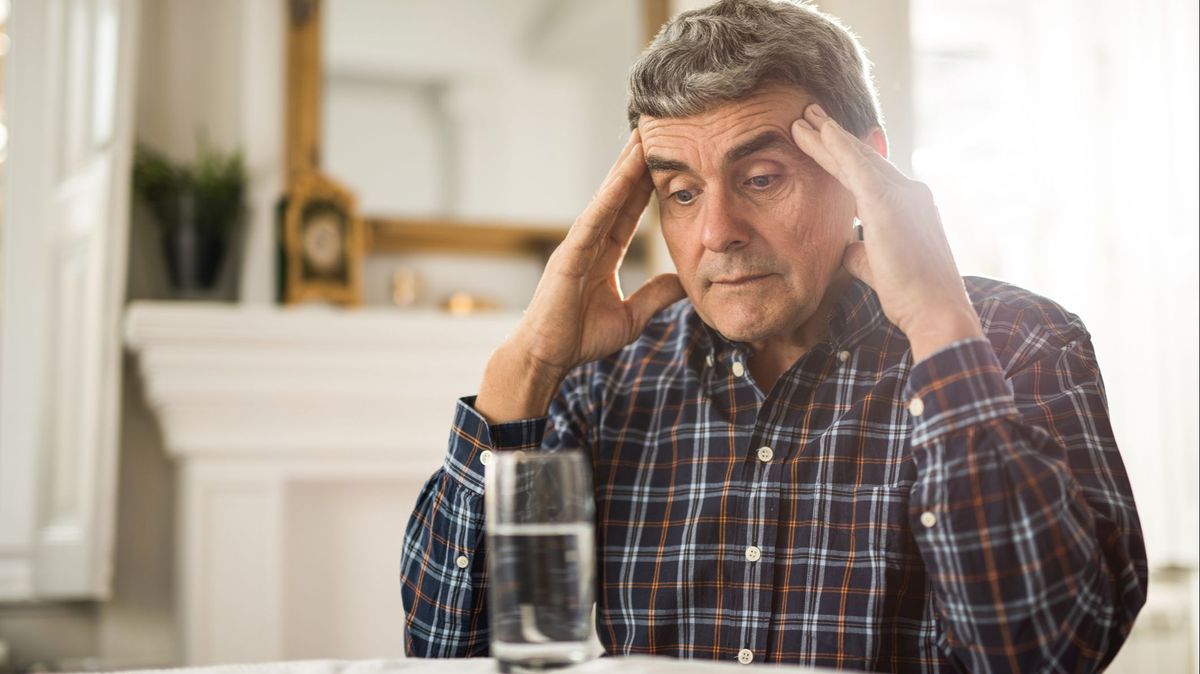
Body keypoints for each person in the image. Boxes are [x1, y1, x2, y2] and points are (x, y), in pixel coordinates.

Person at [400, 1, 1148, 670]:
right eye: (681, 194)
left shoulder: (1020, 344)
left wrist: (936, 327)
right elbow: (445, 654)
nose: (717, 233)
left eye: (761, 177)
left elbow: (1049, 653)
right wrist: (528, 364)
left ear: (866, 167)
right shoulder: (607, 382)